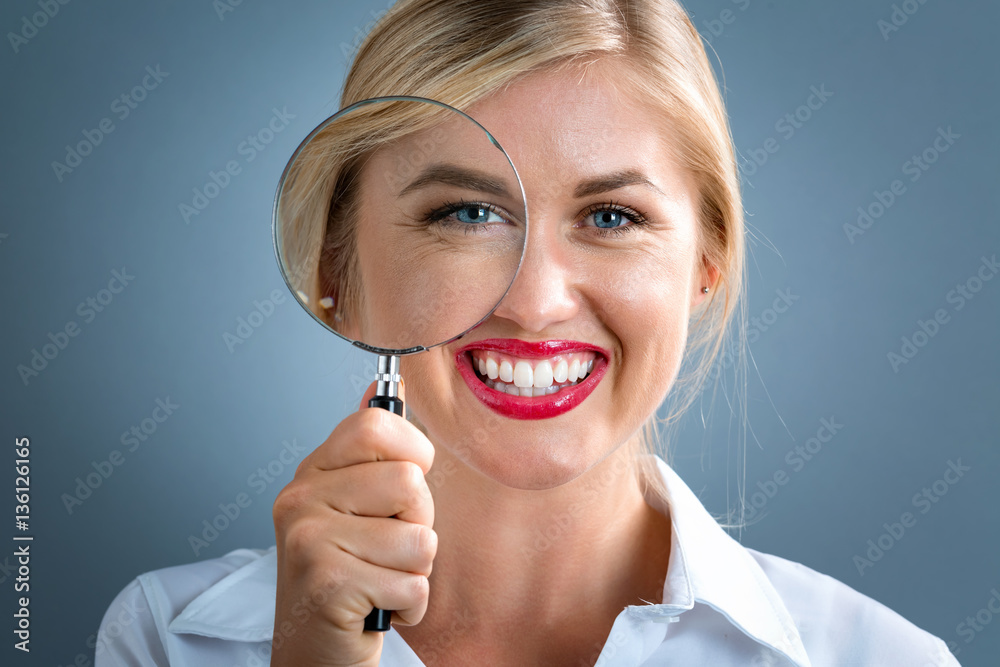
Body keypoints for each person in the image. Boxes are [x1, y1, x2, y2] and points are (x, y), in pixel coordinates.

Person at [96, 1, 959, 665]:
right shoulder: (166, 642)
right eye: (465, 213)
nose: (536, 300)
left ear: (708, 262)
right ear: (333, 273)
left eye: (612, 215)